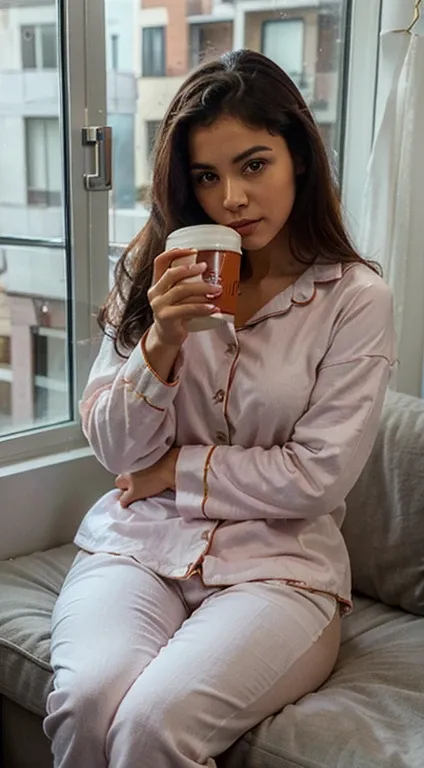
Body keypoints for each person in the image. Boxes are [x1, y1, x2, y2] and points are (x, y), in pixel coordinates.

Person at [43, 49, 396, 768]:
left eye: (254, 165)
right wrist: (162, 342)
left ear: (299, 156)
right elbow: (115, 453)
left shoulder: (356, 300)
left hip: (280, 568)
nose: (230, 198)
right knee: (86, 701)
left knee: (152, 726)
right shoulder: (159, 270)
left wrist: (177, 467)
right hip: (137, 547)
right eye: (207, 176)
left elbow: (318, 476)